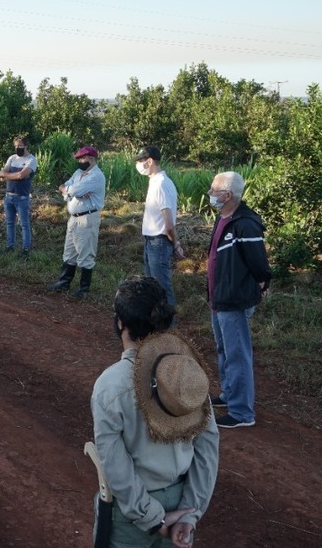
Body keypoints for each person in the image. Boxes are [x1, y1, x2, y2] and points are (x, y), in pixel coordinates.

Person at [92, 276, 219, 548]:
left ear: (120, 324)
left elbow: (116, 466)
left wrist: (153, 518)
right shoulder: (187, 373)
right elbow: (208, 445)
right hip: (183, 503)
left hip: (130, 514)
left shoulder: (110, 385)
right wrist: (190, 512)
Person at [205, 171, 271, 429]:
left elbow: (259, 263)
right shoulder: (224, 218)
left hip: (233, 298)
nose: (210, 194)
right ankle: (229, 394)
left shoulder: (246, 223)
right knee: (224, 349)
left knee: (237, 354)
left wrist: (264, 282)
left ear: (227, 195)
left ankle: (242, 412)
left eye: (213, 190)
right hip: (219, 296)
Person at [48, 146, 105, 298]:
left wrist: (71, 191)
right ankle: (64, 282)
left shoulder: (96, 176)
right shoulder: (78, 173)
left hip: (87, 218)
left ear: (91, 159)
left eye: (82, 158)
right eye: (79, 159)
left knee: (86, 253)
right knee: (69, 251)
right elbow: (64, 187)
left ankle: (84, 289)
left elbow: (73, 191)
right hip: (73, 218)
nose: (80, 161)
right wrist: (68, 190)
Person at [135, 146, 182, 307]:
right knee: (152, 286)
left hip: (159, 242)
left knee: (161, 287)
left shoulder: (161, 184)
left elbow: (168, 224)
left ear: (149, 161)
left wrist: (175, 244)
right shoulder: (155, 182)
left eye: (141, 161)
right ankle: (157, 322)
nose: (139, 165)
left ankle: (168, 325)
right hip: (151, 241)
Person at [0, 135, 37, 259]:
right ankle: (10, 246)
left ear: (26, 146)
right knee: (10, 223)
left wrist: (7, 175)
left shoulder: (31, 160)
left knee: (24, 224)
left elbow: (22, 175)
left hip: (22, 197)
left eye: (20, 146)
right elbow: (1, 173)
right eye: (16, 146)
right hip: (9, 196)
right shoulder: (12, 158)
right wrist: (9, 175)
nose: (17, 148)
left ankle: (26, 249)